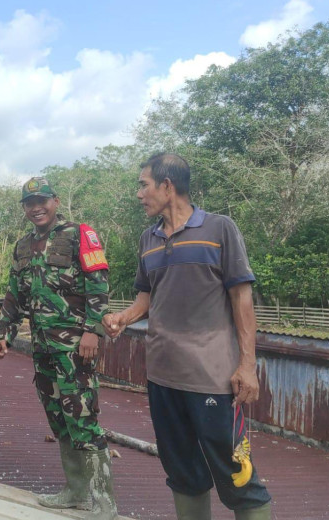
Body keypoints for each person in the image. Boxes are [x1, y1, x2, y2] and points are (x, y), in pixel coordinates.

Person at [103, 153, 272, 520]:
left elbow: (242, 299)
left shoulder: (219, 229)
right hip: (162, 377)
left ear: (167, 186)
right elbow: (147, 296)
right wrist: (123, 318)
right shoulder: (148, 239)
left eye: (143, 185)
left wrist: (247, 365)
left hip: (212, 380)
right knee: (183, 474)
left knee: (238, 476)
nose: (138, 194)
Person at [0, 177, 118, 519]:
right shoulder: (22, 246)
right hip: (43, 348)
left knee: (84, 419)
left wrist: (94, 330)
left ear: (55, 201)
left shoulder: (79, 234)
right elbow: (15, 293)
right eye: (29, 202)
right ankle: (76, 492)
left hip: (76, 348)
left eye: (42, 200)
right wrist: (3, 330)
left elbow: (99, 283)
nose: (36, 207)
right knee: (59, 419)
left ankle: (103, 502)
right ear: (24, 208)